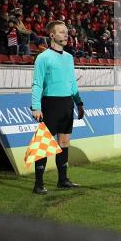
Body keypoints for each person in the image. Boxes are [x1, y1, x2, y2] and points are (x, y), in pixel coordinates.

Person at [29, 20, 83, 194]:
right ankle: (38, 184)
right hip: (50, 104)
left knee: (64, 142)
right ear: (52, 35)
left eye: (67, 32)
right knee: (43, 144)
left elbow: (72, 83)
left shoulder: (69, 57)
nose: (66, 35)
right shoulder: (43, 57)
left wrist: (79, 102)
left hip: (67, 103)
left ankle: (63, 180)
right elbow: (37, 84)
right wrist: (36, 107)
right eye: (61, 32)